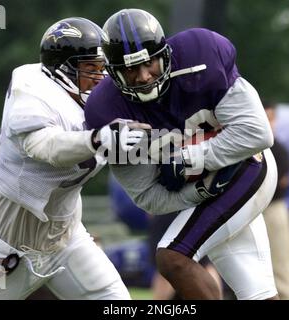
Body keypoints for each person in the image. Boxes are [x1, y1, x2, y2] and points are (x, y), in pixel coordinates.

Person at [85, 9, 279, 300]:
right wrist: (200, 190)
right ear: (112, 73)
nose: (144, 76)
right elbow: (146, 196)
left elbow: (257, 134)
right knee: (257, 293)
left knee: (173, 256)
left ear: (164, 53)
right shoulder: (107, 111)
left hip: (247, 167)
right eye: (130, 70)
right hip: (208, 189)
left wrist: (190, 159)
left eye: (148, 62)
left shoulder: (202, 55)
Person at [0, 17, 149, 300]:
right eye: (91, 69)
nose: (101, 77)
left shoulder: (105, 101)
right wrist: (97, 139)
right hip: (8, 245)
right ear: (62, 70)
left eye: (102, 68)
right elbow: (47, 147)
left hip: (67, 239)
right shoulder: (33, 89)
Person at [263, 102, 289, 300]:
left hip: (273, 209)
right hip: (249, 211)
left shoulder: (280, 150)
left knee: (281, 265)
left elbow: (282, 182)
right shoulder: (247, 145)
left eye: (271, 118)